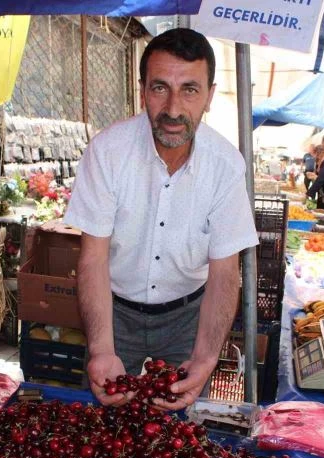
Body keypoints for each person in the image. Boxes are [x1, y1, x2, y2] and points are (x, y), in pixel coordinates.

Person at [64, 28, 258, 410]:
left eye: (189, 89)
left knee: (176, 434)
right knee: (107, 431)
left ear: (209, 96)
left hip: (187, 319)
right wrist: (101, 349)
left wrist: (205, 358)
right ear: (141, 91)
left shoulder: (226, 166)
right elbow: (93, 258)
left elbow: (225, 273)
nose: (173, 108)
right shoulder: (108, 152)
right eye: (159, 88)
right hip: (113, 312)